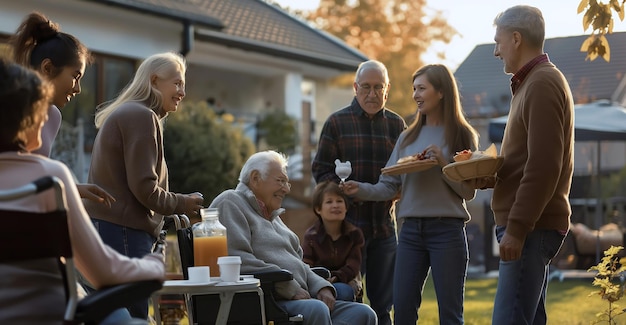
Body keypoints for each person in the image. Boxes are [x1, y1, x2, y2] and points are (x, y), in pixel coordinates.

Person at [0, 58, 165, 324]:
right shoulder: (50, 177)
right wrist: (155, 264)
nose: (46, 116)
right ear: (25, 118)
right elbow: (103, 271)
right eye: (40, 107)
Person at [342, 64, 479, 324]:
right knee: (402, 311)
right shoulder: (407, 138)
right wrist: (358, 189)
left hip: (447, 232)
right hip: (410, 233)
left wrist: (443, 163)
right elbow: (390, 186)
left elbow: (467, 191)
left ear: (440, 92)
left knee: (450, 315)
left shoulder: (462, 135)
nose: (416, 95)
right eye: (414, 89)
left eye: (422, 88)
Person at [470, 5, 575, 324]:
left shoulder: (542, 83)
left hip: (531, 228)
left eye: (498, 41)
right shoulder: (531, 83)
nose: (496, 51)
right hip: (530, 226)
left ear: (516, 39)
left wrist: (516, 229)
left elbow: (544, 166)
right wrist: (492, 174)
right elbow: (527, 159)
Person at [84, 52, 204, 319]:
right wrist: (183, 203)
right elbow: (145, 189)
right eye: (177, 83)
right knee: (133, 316)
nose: (182, 92)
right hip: (123, 233)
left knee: (118, 315)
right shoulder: (141, 116)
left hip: (112, 230)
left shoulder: (133, 114)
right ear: (154, 81)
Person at [210, 150, 377, 325]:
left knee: (364, 313)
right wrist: (289, 288)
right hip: (265, 302)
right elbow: (237, 261)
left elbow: (300, 265)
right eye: (281, 181)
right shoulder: (231, 202)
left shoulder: (273, 218)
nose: (286, 189)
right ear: (255, 178)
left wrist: (322, 287)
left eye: (287, 183)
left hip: (297, 297)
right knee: (317, 309)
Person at [311, 59, 405, 325]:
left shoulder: (397, 126)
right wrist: (341, 192)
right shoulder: (337, 123)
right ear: (355, 87)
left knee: (383, 305)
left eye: (378, 88)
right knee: (349, 301)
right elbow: (320, 171)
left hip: (384, 228)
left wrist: (399, 190)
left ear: (387, 90)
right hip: (347, 231)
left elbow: (405, 172)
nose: (372, 94)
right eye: (366, 87)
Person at [9, 11, 115, 207]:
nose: (78, 89)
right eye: (75, 76)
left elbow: (30, 181)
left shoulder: (51, 115)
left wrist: (76, 189)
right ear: (47, 68)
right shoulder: (23, 111)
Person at [302, 180, 365, 302]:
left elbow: (353, 266)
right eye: (329, 202)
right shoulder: (311, 236)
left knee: (345, 292)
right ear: (318, 209)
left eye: (340, 201)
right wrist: (322, 281)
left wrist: (335, 277)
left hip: (345, 282)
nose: (335, 205)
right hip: (318, 284)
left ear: (346, 207)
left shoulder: (354, 234)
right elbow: (306, 265)